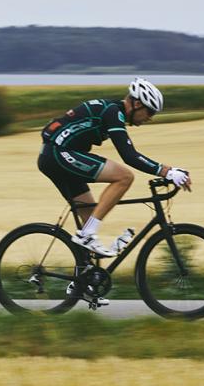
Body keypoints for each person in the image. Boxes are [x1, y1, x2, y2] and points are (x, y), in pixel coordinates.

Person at [37, 77, 192, 260]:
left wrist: (165, 170)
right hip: (58, 154)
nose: (150, 118)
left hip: (54, 156)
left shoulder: (112, 111)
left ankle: (83, 281)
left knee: (90, 216)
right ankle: (86, 236)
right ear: (136, 103)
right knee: (124, 177)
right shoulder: (113, 113)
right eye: (149, 111)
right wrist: (167, 171)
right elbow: (129, 155)